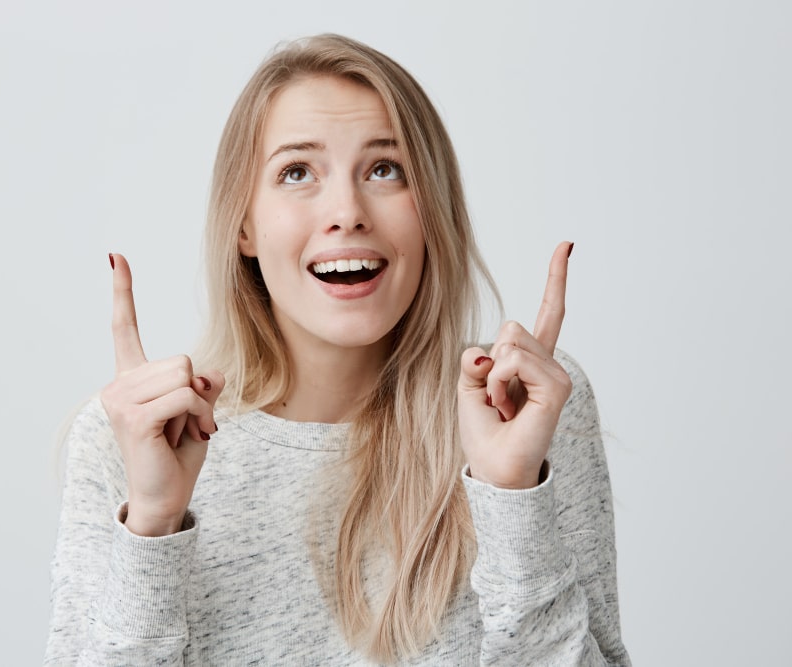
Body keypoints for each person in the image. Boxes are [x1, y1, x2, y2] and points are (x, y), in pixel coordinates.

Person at [45, 34, 630, 666]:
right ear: (243, 225)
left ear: (433, 210)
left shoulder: (525, 405)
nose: (347, 212)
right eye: (297, 172)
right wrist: (153, 525)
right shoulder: (131, 438)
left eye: (385, 169)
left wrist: (512, 495)